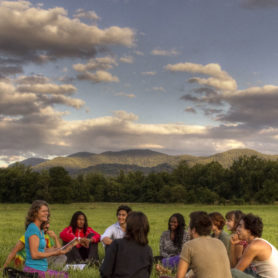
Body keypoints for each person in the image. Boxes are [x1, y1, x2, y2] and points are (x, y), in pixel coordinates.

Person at [176, 211, 232, 278]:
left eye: (188, 227)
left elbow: (179, 276)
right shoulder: (219, 243)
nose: (188, 231)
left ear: (193, 230)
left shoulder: (189, 245)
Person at [23, 200, 70, 278]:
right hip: (33, 270)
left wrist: (58, 250)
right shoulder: (33, 228)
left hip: (41, 268)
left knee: (65, 274)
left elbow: (41, 250)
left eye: (47, 211)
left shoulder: (40, 229)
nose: (46, 213)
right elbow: (34, 255)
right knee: (63, 276)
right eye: (43, 211)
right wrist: (54, 253)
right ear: (35, 213)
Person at [100, 211, 153, 278]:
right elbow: (148, 273)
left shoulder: (116, 244)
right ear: (146, 228)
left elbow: (105, 272)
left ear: (128, 227)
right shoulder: (148, 249)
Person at [2, 220, 66, 269]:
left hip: (39, 260)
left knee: (62, 256)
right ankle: (50, 271)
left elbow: (59, 251)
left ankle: (52, 270)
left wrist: (55, 238)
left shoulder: (46, 236)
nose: (47, 226)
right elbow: (14, 251)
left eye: (48, 223)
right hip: (26, 262)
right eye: (45, 224)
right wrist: (4, 267)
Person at [231, 213, 278, 278]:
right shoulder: (257, 242)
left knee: (233, 272)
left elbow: (236, 271)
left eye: (240, 226)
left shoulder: (254, 246)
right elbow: (234, 265)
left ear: (249, 230)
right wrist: (233, 245)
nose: (237, 229)